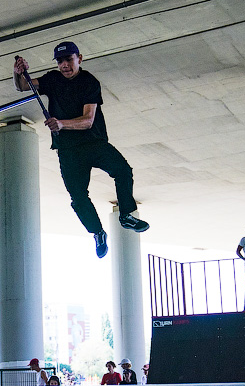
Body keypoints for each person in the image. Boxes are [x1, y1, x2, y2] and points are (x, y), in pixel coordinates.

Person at [13, 42, 149, 259]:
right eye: (60, 61)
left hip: (94, 143)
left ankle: (126, 215)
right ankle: (97, 232)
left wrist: (61, 124)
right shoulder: (52, 79)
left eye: (69, 59)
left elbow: (87, 120)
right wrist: (19, 72)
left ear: (80, 59)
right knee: (78, 197)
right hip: (68, 150)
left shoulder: (89, 82)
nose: (64, 65)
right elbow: (22, 86)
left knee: (123, 170)